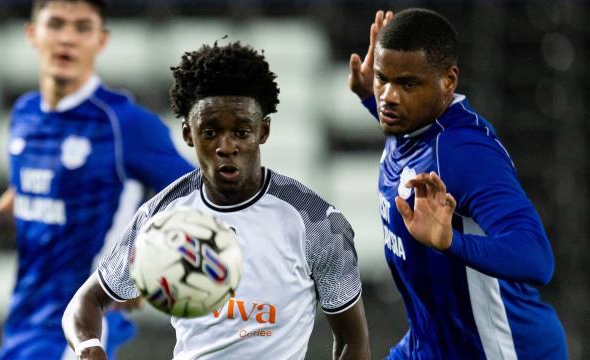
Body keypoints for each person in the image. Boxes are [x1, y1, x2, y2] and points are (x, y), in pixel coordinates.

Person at [62, 41, 371, 360]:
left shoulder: (317, 223)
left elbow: (353, 341)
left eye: (241, 132)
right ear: (187, 134)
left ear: (263, 131)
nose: (226, 146)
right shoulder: (162, 216)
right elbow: (85, 303)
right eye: (210, 132)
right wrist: (89, 348)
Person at [0, 0, 193, 359]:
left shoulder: (124, 124)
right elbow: (35, 195)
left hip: (84, 321)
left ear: (101, 40)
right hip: (25, 320)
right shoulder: (25, 114)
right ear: (33, 34)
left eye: (82, 28)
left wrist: (145, 264)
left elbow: (193, 195)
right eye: (57, 25)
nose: (68, 38)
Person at [348, 8, 567, 359]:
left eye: (407, 83)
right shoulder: (409, 123)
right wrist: (365, 95)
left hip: (499, 351)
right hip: (430, 343)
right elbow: (410, 136)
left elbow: (537, 260)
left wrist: (451, 241)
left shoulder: (465, 154)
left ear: (448, 82)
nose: (388, 96)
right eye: (381, 78)